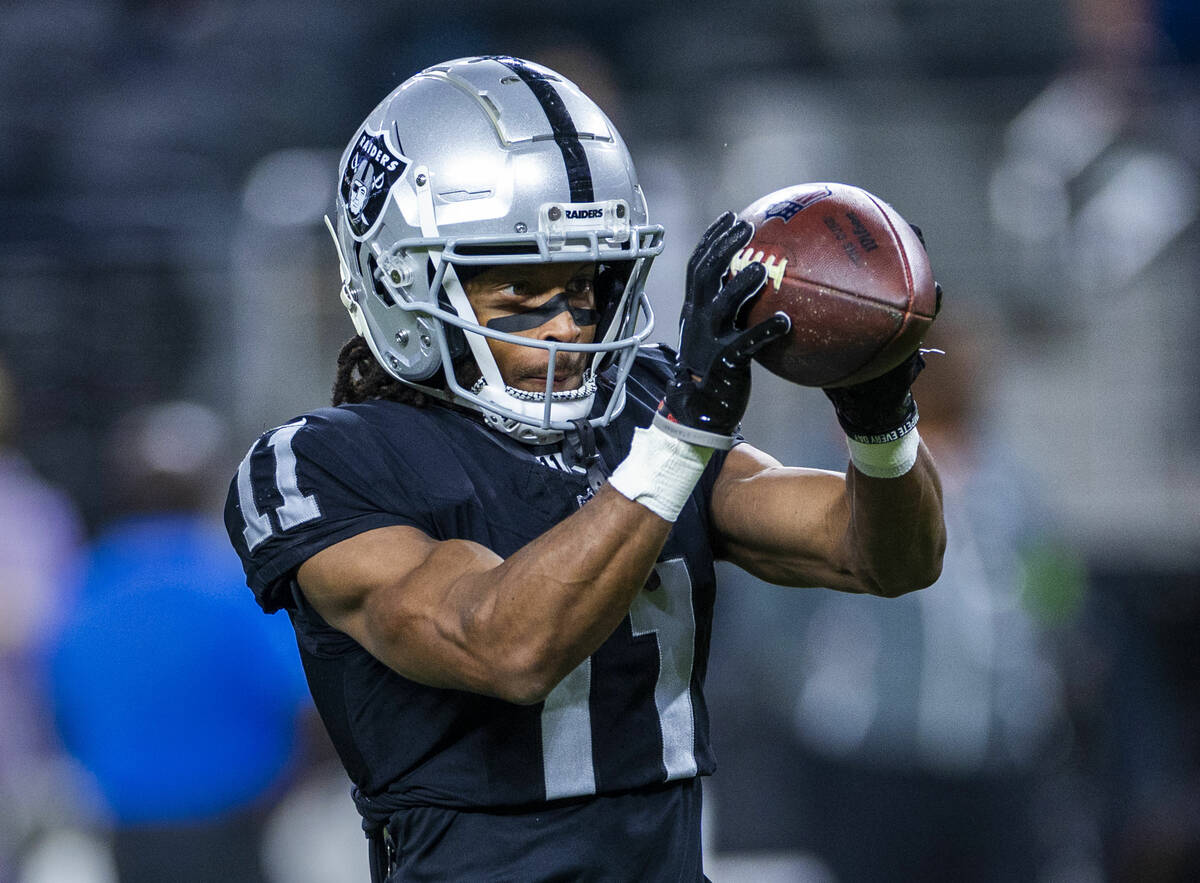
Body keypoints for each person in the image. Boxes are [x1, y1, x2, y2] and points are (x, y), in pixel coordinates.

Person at [225, 55, 946, 882]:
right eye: (523, 293)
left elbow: (882, 556)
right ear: (400, 280)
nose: (568, 327)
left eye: (589, 285)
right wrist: (683, 431)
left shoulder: (640, 403)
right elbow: (506, 644)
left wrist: (879, 421)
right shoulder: (324, 462)